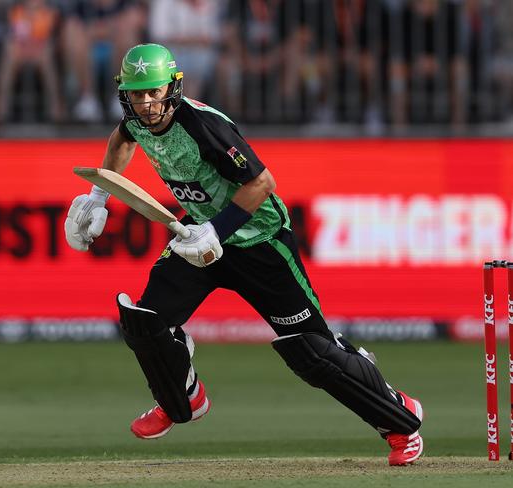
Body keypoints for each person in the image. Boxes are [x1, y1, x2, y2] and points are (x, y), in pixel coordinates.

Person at [64, 43, 424, 466]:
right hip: (197, 237)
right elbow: (123, 139)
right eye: (136, 94)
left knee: (312, 352)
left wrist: (217, 229)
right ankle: (184, 401)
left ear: (173, 88)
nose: (145, 104)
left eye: (153, 92)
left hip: (260, 242)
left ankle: (401, 421)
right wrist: (98, 195)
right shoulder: (136, 117)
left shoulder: (203, 126)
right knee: (146, 323)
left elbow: (263, 183)